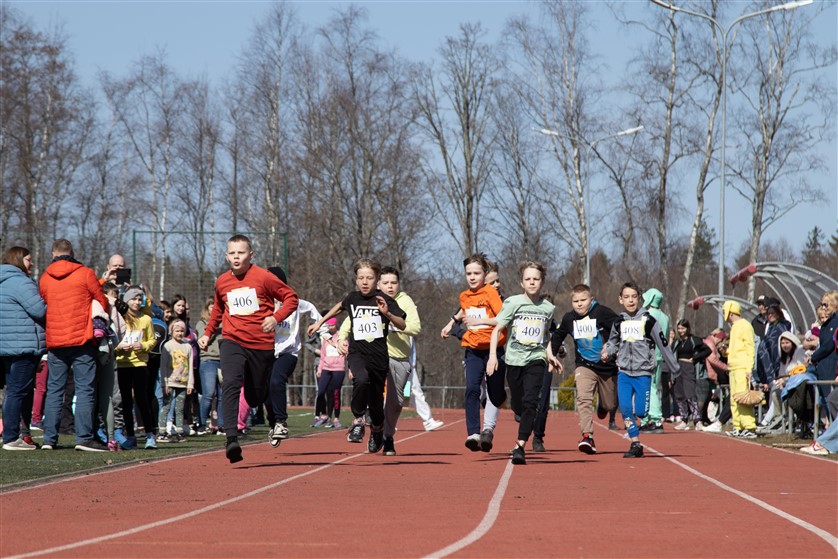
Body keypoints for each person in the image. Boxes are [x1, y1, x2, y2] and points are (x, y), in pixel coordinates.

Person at [199, 234, 299, 463]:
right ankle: (232, 438)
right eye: (232, 253)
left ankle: (268, 410)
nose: (236, 257)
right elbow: (217, 310)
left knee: (254, 395)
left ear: (250, 255)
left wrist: (276, 317)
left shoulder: (263, 277)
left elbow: (291, 298)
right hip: (232, 340)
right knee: (231, 382)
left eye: (241, 253)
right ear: (226, 256)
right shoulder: (222, 281)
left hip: (261, 345)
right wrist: (207, 333)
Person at [307, 259, 406, 453]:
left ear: (377, 280)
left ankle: (377, 430)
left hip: (378, 357)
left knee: (377, 402)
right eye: (361, 278)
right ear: (356, 280)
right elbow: (339, 306)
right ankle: (358, 420)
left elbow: (402, 324)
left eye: (369, 278)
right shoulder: (353, 298)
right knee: (360, 379)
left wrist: (387, 314)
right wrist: (320, 323)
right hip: (357, 353)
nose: (365, 282)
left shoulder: (385, 299)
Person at [39, 239, 110, 452]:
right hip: (81, 338)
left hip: (55, 340)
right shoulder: (85, 273)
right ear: (72, 252)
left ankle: (49, 439)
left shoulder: (45, 278)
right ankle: (84, 437)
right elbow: (101, 300)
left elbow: (44, 301)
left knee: (54, 390)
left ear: (53, 253)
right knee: (85, 389)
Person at [487, 261, 560, 465]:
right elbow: (496, 330)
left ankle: (520, 446)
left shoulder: (547, 308)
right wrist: (493, 356)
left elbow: (545, 337)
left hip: (536, 359)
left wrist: (550, 355)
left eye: (536, 279)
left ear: (542, 281)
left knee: (531, 402)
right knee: (518, 403)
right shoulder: (513, 303)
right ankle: (518, 412)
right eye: (528, 279)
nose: (532, 282)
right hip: (514, 360)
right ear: (521, 282)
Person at [602, 282, 679, 458]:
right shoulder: (618, 322)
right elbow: (613, 342)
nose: (630, 300)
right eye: (626, 297)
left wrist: (675, 368)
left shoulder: (648, 320)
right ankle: (635, 443)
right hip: (624, 373)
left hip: (643, 372)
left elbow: (663, 343)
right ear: (620, 299)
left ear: (640, 299)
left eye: (634, 297)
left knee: (641, 412)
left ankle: (636, 434)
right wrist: (608, 352)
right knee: (626, 409)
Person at [440, 253, 506, 452]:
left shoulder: (491, 294)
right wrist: (451, 322)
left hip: (493, 349)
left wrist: (480, 322)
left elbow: (503, 319)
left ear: (485, 274)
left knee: (495, 394)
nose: (472, 277)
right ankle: (473, 433)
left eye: (476, 273)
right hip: (473, 350)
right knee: (472, 389)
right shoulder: (464, 296)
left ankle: (501, 399)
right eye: (469, 273)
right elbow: (463, 310)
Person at [551, 284, 619, 455]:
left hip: (607, 366)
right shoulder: (569, 318)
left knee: (610, 404)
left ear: (591, 300)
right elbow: (558, 336)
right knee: (583, 398)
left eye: (583, 300)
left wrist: (610, 346)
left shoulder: (602, 312)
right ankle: (587, 436)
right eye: (576, 301)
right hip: (584, 365)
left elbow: (620, 327)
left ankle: (603, 406)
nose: (579, 304)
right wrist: (551, 356)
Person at [265, 266, 322, 448]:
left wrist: (320, 326)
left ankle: (281, 422)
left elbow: (312, 308)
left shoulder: (292, 301)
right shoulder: (260, 303)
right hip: (265, 352)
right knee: (265, 394)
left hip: (288, 352)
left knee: (276, 381)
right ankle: (273, 422)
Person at [1, 247, 47, 450]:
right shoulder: (20, 282)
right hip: (23, 345)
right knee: (17, 392)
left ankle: (18, 434)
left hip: (6, 346)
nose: (32, 263)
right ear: (19, 260)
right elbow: (39, 309)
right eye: (29, 259)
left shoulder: (3, 281)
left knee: (14, 391)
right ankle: (11, 437)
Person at [115, 286, 157, 449]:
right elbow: (113, 338)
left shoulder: (146, 319)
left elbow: (152, 340)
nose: (137, 302)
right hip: (123, 363)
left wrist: (143, 345)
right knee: (125, 401)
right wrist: (119, 347)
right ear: (126, 301)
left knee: (142, 399)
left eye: (140, 299)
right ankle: (130, 436)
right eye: (134, 299)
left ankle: (149, 435)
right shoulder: (119, 318)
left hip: (140, 364)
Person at [722, 300, 757, 439]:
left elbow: (750, 347)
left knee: (743, 398)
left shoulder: (745, 325)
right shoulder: (735, 326)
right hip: (734, 367)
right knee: (734, 398)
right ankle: (738, 426)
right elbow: (737, 347)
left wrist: (749, 368)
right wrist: (727, 352)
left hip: (742, 367)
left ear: (730, 311)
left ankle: (749, 426)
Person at [671, 319, 711, 430]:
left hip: (689, 368)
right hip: (678, 369)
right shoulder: (677, 342)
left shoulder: (694, 340)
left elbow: (707, 351)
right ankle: (684, 419)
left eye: (683, 328)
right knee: (679, 395)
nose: (680, 331)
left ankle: (697, 420)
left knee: (690, 394)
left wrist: (694, 359)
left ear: (688, 328)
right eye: (679, 328)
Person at [158, 319, 195, 441]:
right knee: (166, 406)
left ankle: (179, 431)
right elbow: (163, 366)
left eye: (182, 331)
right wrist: (165, 383)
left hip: (183, 382)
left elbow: (190, 366)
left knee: (180, 408)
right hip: (170, 381)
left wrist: (190, 383)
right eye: (177, 330)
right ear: (172, 331)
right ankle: (162, 431)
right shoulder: (167, 346)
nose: (179, 333)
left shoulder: (187, 347)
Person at [640, 288, 670, 433]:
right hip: (660, 356)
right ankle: (646, 419)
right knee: (653, 387)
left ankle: (656, 420)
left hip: (647, 356)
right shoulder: (665, 317)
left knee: (649, 388)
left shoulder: (646, 315)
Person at [195, 298, 222, 435]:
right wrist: (214, 328)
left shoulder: (225, 322)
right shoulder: (202, 323)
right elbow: (202, 341)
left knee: (223, 395)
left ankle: (221, 425)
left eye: (216, 306)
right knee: (209, 394)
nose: (214, 308)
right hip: (208, 361)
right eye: (212, 306)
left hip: (223, 361)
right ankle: (201, 424)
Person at [314, 318, 345, 429]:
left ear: (336, 325)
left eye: (332, 325)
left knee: (336, 393)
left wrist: (351, 370)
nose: (330, 327)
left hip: (338, 368)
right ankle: (324, 415)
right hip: (326, 368)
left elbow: (348, 354)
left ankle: (336, 418)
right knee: (321, 392)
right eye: (328, 326)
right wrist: (319, 369)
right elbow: (322, 356)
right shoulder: (326, 338)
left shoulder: (342, 337)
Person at [808, 291, 838, 405]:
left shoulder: (835, 322)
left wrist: (814, 357)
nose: (823, 308)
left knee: (829, 398)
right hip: (823, 365)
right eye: (822, 305)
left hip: (830, 365)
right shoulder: (828, 323)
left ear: (835, 304)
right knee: (823, 398)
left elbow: (828, 345)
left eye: (826, 305)